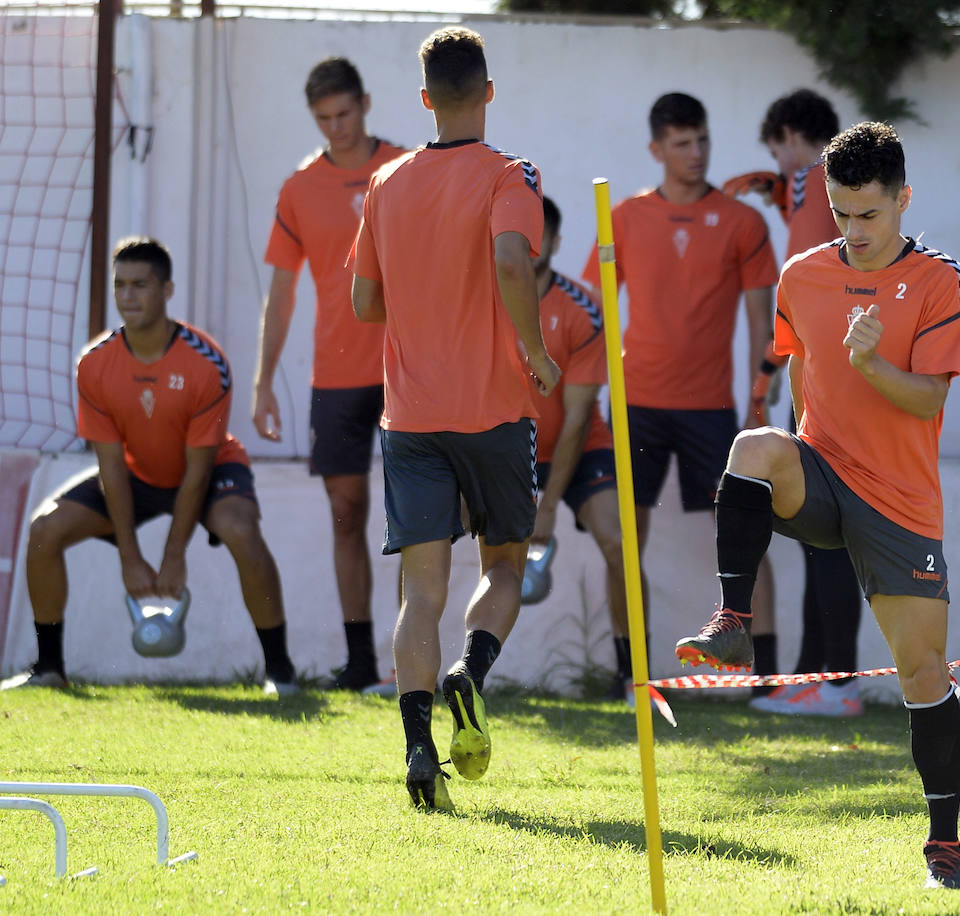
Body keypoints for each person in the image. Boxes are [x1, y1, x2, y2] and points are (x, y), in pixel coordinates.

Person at [676, 122, 960, 889]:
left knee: (923, 672)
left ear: (904, 200)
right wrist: (811, 451)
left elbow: (929, 399)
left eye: (869, 214)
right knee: (753, 447)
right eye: (841, 213)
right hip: (820, 473)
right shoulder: (802, 275)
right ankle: (735, 625)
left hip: (901, 501)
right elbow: (801, 377)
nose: (854, 230)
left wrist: (871, 362)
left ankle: (944, 844)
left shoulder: (942, 280)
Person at [347, 25, 559, 811]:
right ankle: (471, 670)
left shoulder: (385, 181)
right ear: (490, 92)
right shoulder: (510, 174)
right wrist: (534, 350)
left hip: (410, 417)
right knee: (504, 566)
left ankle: (417, 749)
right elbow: (512, 259)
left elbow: (365, 302)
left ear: (426, 97)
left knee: (419, 593)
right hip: (494, 410)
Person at [2, 237, 300, 696]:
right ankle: (49, 669)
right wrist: (130, 556)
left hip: (209, 470)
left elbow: (197, 472)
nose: (128, 296)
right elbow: (110, 467)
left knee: (241, 530)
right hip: (136, 475)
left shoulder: (206, 365)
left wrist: (173, 554)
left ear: (167, 290)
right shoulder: (94, 364)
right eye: (120, 285)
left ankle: (280, 674)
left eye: (140, 285)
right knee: (44, 530)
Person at [582, 92, 780, 689]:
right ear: (657, 149)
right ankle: (630, 675)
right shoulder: (623, 217)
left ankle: (764, 676)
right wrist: (592, 393)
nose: (695, 154)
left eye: (702, 141)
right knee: (624, 540)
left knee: (747, 537)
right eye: (681, 143)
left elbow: (760, 324)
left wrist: (758, 403)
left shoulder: (744, 221)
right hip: (636, 402)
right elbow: (597, 312)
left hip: (713, 409)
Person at [252, 57, 407, 694]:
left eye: (344, 113)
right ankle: (361, 663)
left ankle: (410, 663)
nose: (336, 127)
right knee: (346, 515)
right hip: (337, 373)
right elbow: (282, 294)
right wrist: (263, 382)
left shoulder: (406, 166)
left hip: (407, 367)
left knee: (415, 518)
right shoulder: (299, 188)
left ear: (365, 103)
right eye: (323, 118)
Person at [726, 89, 865, 718]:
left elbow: (801, 285)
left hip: (824, 387)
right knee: (824, 535)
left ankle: (834, 684)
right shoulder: (835, 188)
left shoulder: (812, 179)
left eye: (777, 154)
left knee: (824, 534)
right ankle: (820, 677)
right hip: (851, 379)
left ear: (788, 135)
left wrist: (764, 378)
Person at [527, 195, 637, 702]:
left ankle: (631, 675)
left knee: (620, 545)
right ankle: (430, 674)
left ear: (555, 241)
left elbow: (574, 420)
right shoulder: (480, 304)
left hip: (581, 447)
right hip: (511, 447)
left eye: (540, 236)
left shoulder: (583, 310)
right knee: (432, 534)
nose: (530, 246)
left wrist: (547, 503)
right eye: (519, 236)